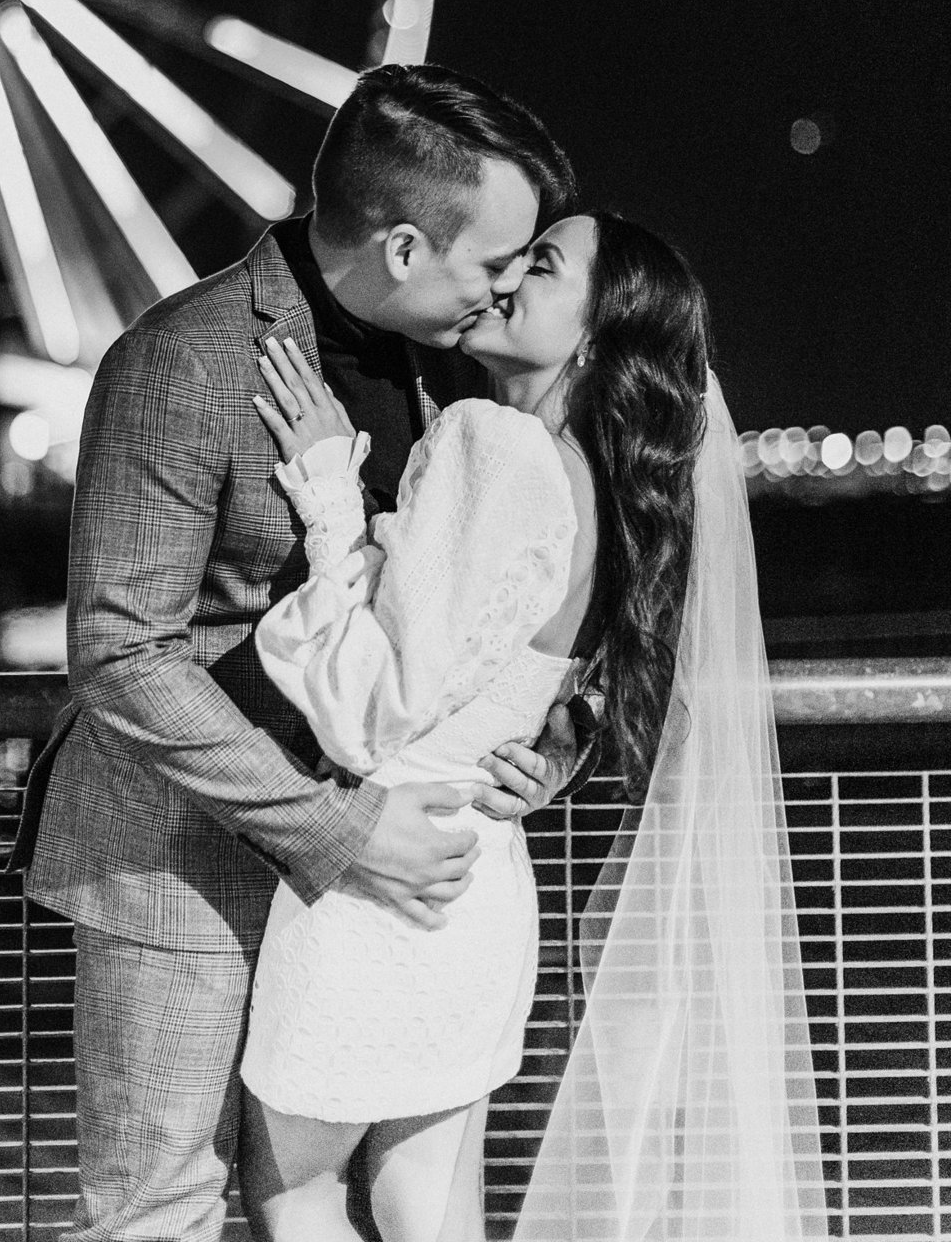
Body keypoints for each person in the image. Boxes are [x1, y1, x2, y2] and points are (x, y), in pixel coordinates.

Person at [10, 63, 583, 1242]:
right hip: (180, 863)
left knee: (371, 1196)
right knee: (160, 1208)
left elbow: (492, 609)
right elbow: (120, 650)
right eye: (495, 260)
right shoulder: (183, 360)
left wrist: (549, 746)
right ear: (409, 247)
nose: (512, 285)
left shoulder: (455, 373)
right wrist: (333, 827)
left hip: (373, 879)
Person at [237, 212, 824, 1241]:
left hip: (385, 869)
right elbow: (536, 674)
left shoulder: (493, 444)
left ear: (595, 335)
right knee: (425, 1201)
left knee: (298, 1192)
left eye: (541, 265)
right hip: (481, 880)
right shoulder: (608, 486)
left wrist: (331, 490)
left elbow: (368, 712)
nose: (505, 275)